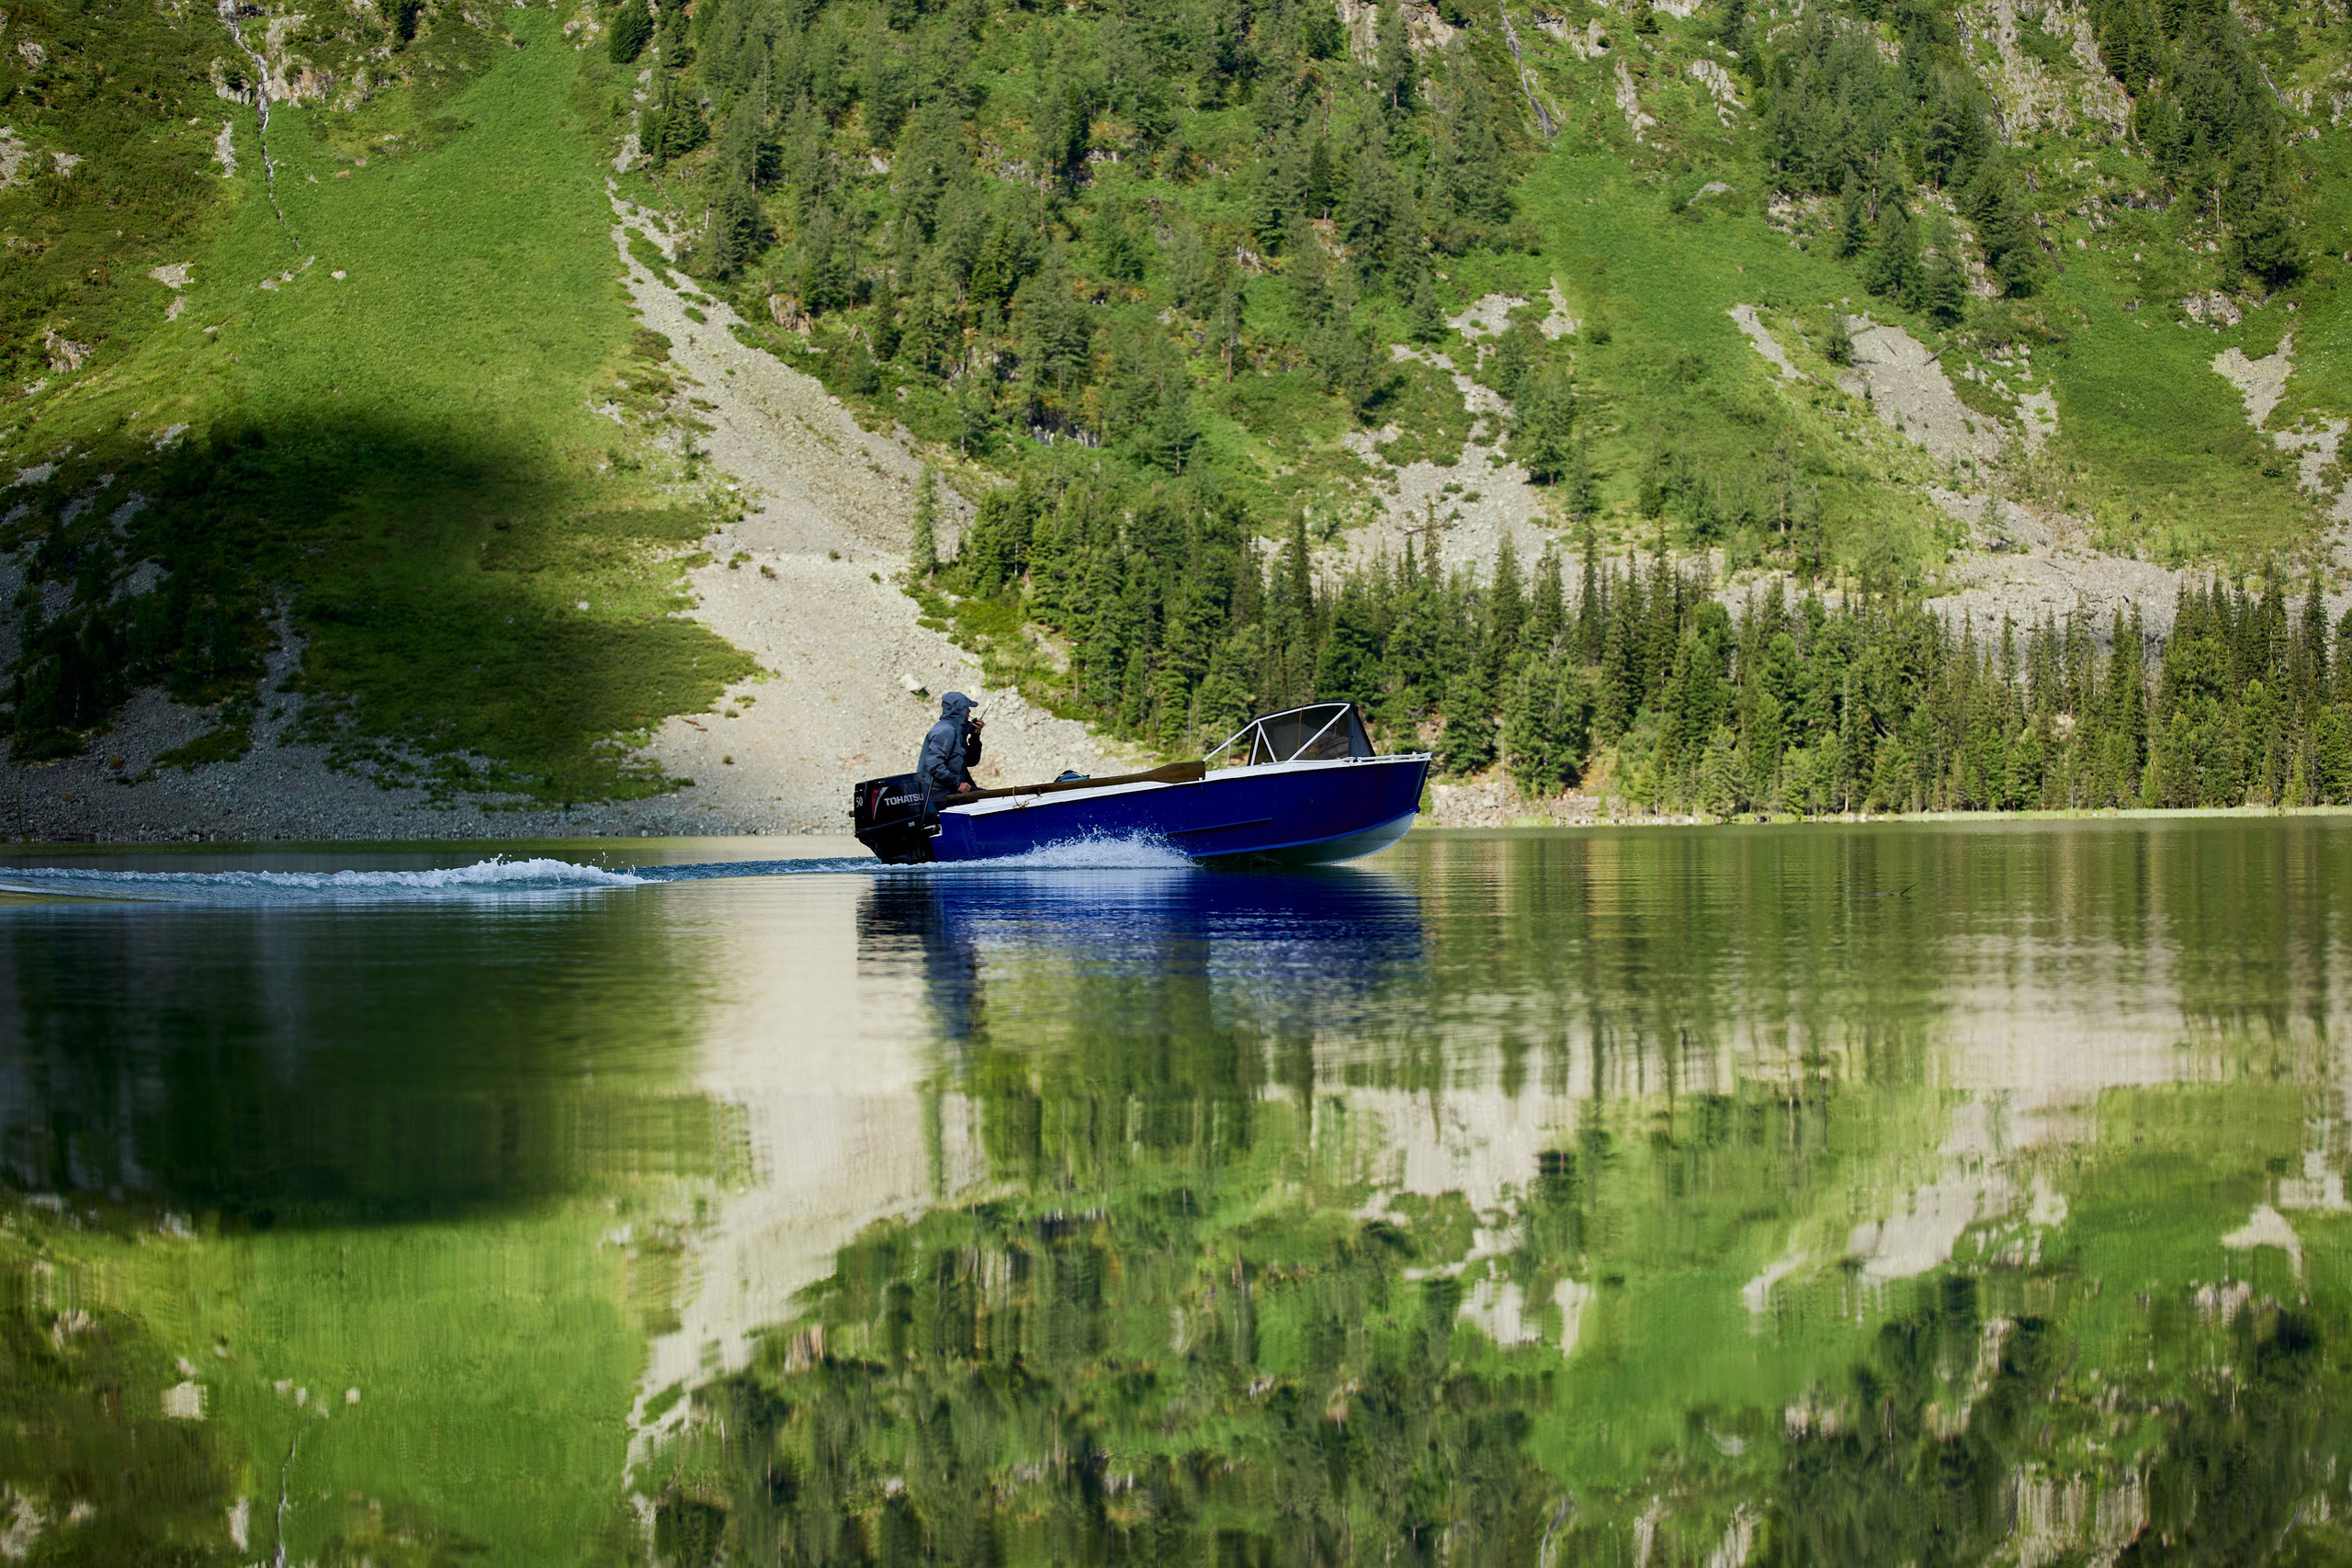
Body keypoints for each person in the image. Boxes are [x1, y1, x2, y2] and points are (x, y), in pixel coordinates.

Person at [917, 691, 985, 808]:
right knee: (990, 802)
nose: (970, 712)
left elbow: (971, 761)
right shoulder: (945, 731)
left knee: (991, 799)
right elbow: (934, 764)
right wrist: (957, 784)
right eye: (967, 708)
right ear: (960, 710)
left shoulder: (958, 732)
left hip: (951, 789)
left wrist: (975, 736)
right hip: (940, 794)